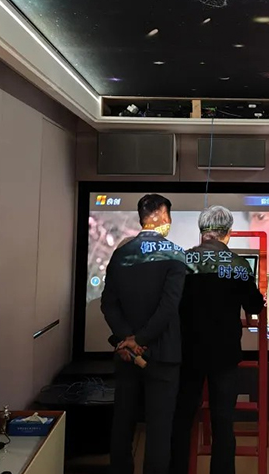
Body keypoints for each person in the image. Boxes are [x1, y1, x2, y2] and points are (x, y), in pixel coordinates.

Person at [170, 206, 266, 474]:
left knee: (182, 419)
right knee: (223, 421)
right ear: (229, 233)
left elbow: (170, 304)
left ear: (202, 231)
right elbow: (254, 305)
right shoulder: (238, 265)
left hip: (187, 352)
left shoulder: (182, 262)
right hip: (225, 353)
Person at [101, 194, 187, 474]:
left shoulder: (121, 253)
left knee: (122, 424)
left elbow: (108, 304)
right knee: (159, 430)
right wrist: (141, 339)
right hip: (163, 356)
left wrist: (128, 339)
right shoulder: (174, 253)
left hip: (126, 355)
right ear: (162, 216)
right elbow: (168, 307)